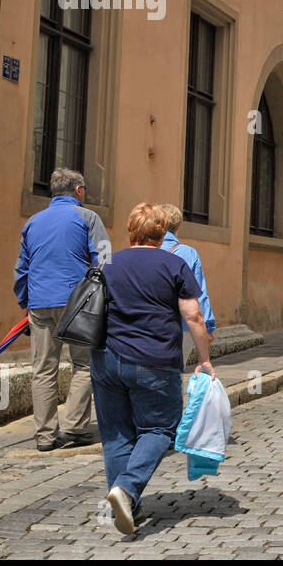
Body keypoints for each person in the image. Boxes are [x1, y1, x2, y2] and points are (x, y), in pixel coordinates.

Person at [95, 203, 213, 535]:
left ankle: (128, 505)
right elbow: (194, 317)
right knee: (161, 429)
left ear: (131, 230)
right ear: (161, 233)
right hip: (153, 361)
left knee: (116, 435)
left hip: (106, 359)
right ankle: (128, 489)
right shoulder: (174, 263)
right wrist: (204, 360)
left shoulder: (107, 262)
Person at [13, 167, 107, 452]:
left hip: (40, 301)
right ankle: (75, 427)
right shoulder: (88, 217)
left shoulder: (33, 222)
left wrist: (25, 302)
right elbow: (104, 261)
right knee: (84, 364)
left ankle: (45, 436)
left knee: (43, 368)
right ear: (78, 191)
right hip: (77, 302)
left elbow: (22, 269)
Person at [158, 205, 216, 339]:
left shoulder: (144, 249)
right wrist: (207, 327)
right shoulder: (189, 253)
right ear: (177, 226)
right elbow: (198, 293)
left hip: (147, 325)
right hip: (182, 327)